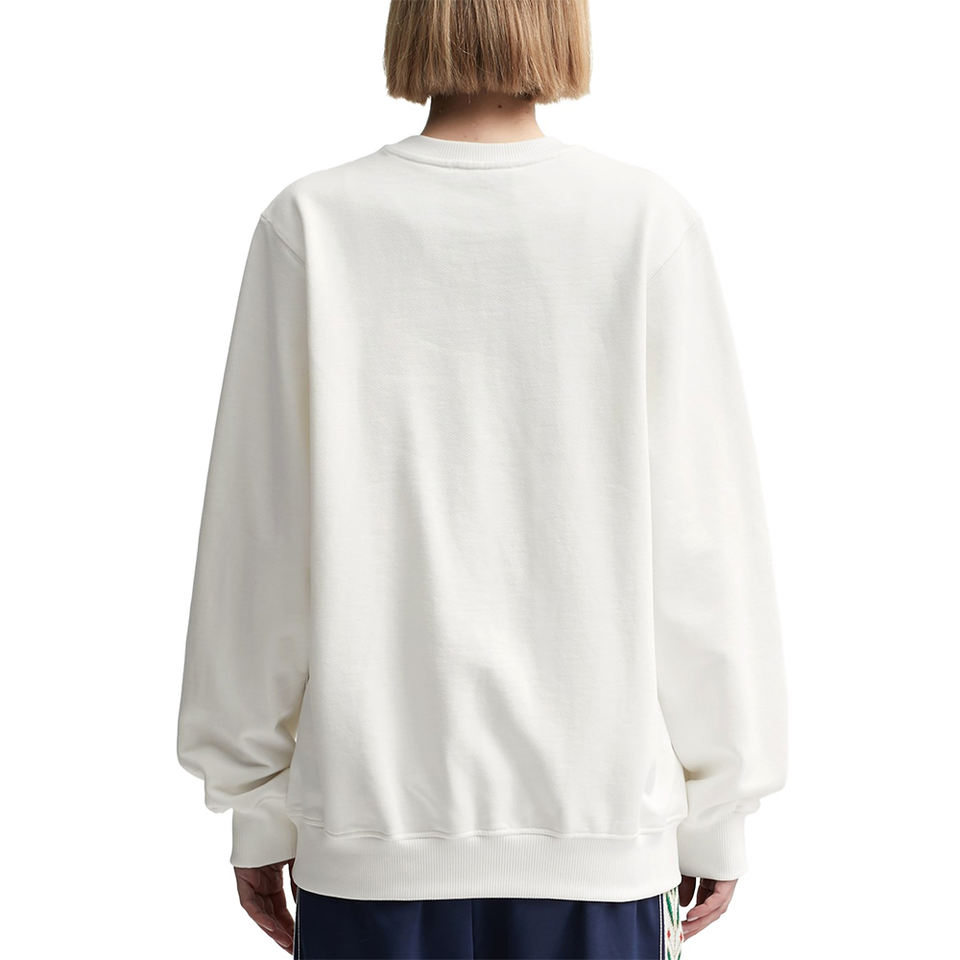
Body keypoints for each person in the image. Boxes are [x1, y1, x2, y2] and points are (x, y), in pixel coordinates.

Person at [176, 1, 789, 957]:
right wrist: (718, 810)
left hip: (373, 839)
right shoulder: (642, 224)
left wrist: (255, 807)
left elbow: (258, 544)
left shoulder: (314, 225)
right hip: (596, 840)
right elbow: (703, 547)